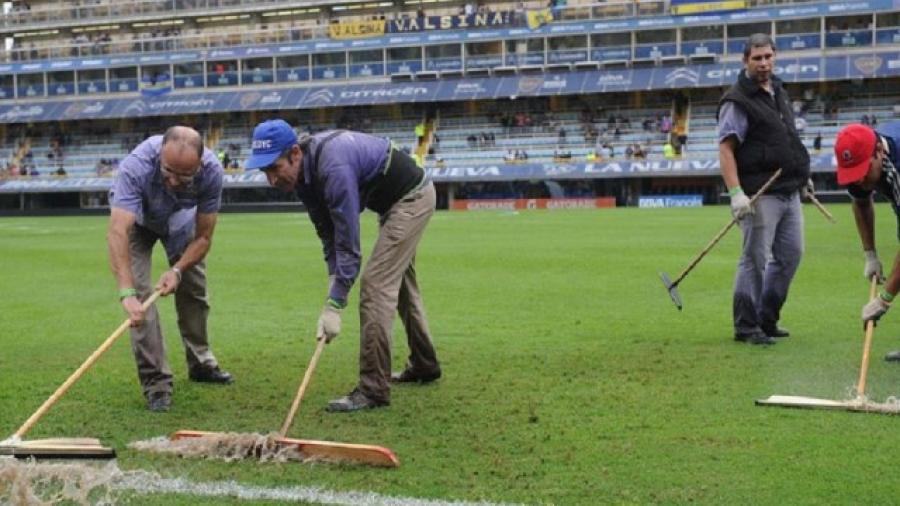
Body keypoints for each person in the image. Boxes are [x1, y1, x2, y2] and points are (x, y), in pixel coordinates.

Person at [245, 120, 441, 412]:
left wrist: (335, 303)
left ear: (295, 154)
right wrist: (333, 280)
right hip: (392, 204)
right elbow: (328, 235)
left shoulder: (333, 167)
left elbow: (349, 243)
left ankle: (373, 389)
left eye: (275, 168)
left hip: (412, 198)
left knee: (375, 286)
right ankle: (424, 364)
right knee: (399, 286)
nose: (272, 179)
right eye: (265, 172)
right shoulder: (303, 180)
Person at [107, 126, 233, 412]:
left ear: (199, 165)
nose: (174, 181)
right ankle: (157, 384)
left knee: (194, 290)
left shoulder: (212, 172)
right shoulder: (136, 167)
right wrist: (126, 292)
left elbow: (203, 237)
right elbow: (118, 232)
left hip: (179, 223)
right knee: (140, 302)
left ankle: (201, 362)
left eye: (184, 175)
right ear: (159, 156)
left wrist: (176, 270)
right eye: (168, 172)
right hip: (137, 223)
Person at [716, 33, 811, 345]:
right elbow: (726, 150)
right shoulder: (737, 100)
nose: (764, 63)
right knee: (754, 258)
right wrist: (735, 194)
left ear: (775, 56)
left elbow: (787, 136)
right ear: (745, 61)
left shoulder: (779, 90)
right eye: (757, 58)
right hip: (760, 193)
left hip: (789, 189)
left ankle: (767, 318)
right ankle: (746, 326)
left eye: (768, 56)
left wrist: (802, 174)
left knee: (791, 255)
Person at [833, 121, 900, 360]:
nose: (859, 181)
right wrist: (870, 254)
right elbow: (861, 203)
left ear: (879, 153)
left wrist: (885, 299)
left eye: (863, 172)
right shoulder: (865, 151)